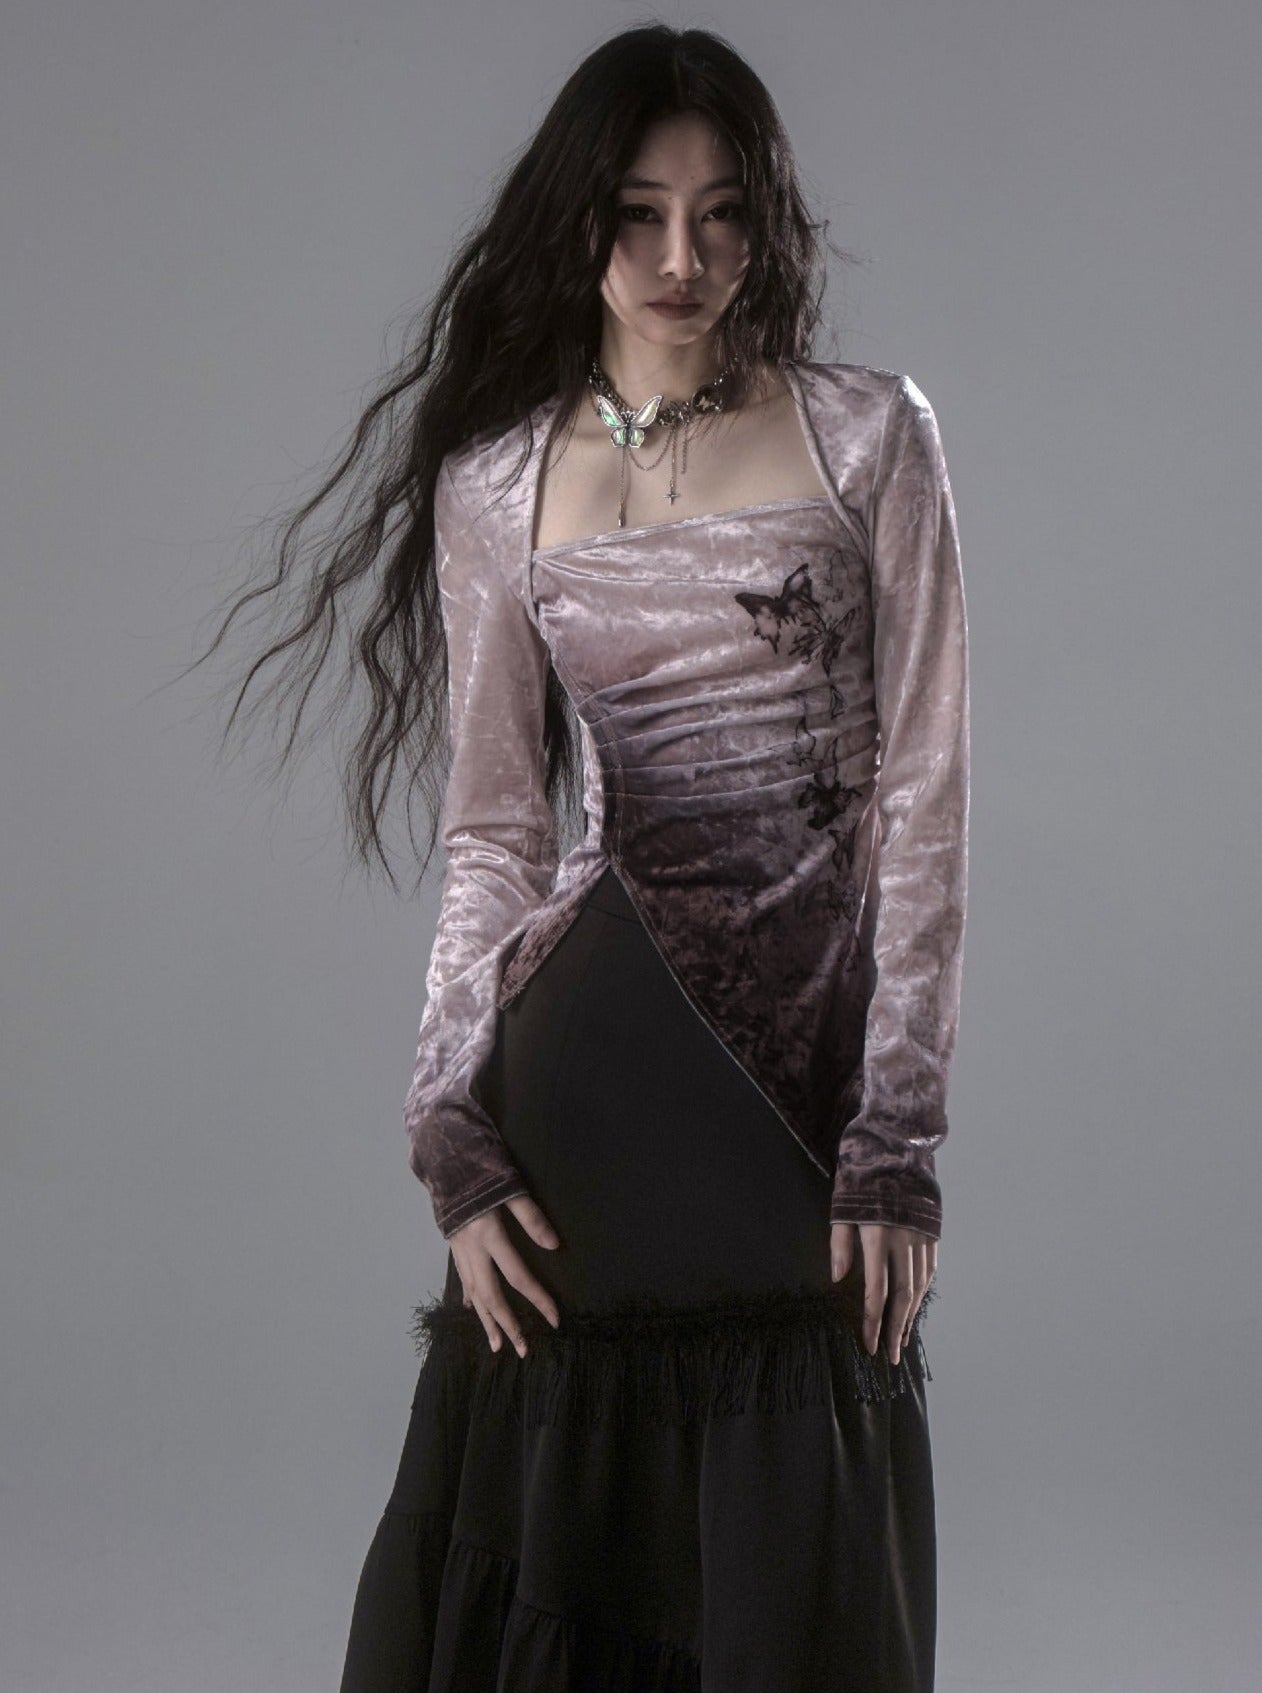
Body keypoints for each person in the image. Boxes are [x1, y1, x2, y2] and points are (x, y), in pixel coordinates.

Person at [196, 23, 969, 1691]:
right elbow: (495, 833)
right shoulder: (499, 487)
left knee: (794, 1584)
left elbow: (922, 799)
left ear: (766, 223)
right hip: (576, 1106)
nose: (681, 258)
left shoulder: (868, 438)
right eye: (637, 214)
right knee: (564, 1578)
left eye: (721, 213)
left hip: (794, 1109)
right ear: (578, 223)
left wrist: (895, 1139)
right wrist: (449, 1129)